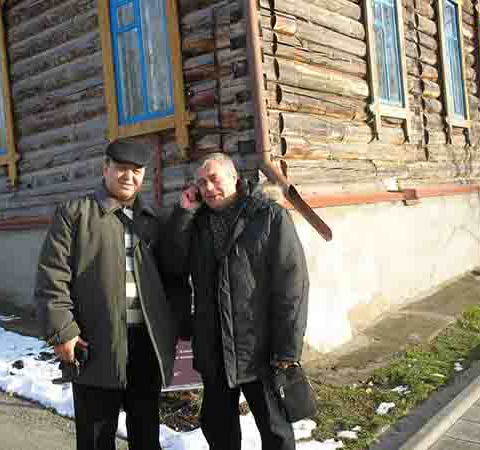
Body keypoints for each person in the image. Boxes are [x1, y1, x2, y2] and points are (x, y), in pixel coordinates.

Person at [35, 140, 186, 450]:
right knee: (95, 436)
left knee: (146, 435)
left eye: (137, 171)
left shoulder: (152, 220)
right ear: (105, 169)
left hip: (145, 345)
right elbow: (52, 277)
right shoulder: (75, 214)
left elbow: (172, 278)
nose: (129, 176)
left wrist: (172, 328)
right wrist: (63, 332)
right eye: (121, 168)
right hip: (95, 343)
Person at [162, 152, 310, 450]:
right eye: (201, 183)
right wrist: (183, 213)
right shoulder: (196, 222)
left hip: (258, 348)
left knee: (275, 431)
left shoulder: (268, 216)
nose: (208, 188)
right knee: (219, 430)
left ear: (234, 178)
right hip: (213, 347)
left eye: (214, 179)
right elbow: (172, 264)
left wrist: (288, 348)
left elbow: (292, 284)